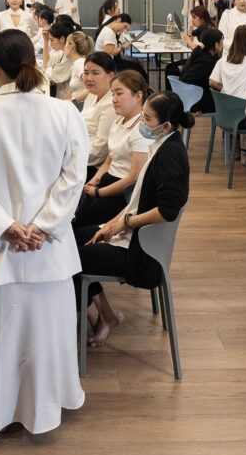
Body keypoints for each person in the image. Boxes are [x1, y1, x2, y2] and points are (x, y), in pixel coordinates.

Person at [0, 29, 89, 435]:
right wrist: (43, 227)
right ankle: (48, 402)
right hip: (48, 248)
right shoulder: (65, 112)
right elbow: (74, 178)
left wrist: (7, 227)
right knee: (48, 331)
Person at [75, 90, 190, 348]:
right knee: (72, 239)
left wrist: (124, 224)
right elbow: (136, 201)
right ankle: (105, 314)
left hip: (142, 253)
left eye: (147, 120)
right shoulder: (162, 144)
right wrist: (112, 225)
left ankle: (96, 317)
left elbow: (167, 211)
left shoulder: (170, 155)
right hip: (135, 234)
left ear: (166, 125)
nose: (142, 124)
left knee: (71, 256)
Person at [76, 70, 150, 225]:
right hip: (108, 180)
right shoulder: (118, 122)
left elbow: (133, 178)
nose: (114, 99)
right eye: (112, 94)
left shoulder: (141, 130)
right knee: (73, 207)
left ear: (138, 96)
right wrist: (94, 182)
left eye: (119, 94)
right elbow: (109, 161)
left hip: (123, 193)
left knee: (77, 219)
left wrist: (99, 192)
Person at [80, 51, 118, 178]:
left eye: (95, 73)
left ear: (111, 76)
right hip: (80, 151)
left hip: (93, 167)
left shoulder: (112, 105)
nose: (89, 78)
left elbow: (100, 152)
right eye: (86, 73)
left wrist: (69, 156)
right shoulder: (92, 94)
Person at [209, 25, 246, 98]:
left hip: (226, 103)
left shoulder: (223, 60)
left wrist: (228, 90)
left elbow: (212, 82)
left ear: (235, 41)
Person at [177, 27, 224, 114]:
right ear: (216, 44)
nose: (223, 43)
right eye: (221, 41)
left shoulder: (200, 53)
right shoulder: (208, 61)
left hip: (185, 94)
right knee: (222, 97)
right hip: (195, 98)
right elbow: (213, 83)